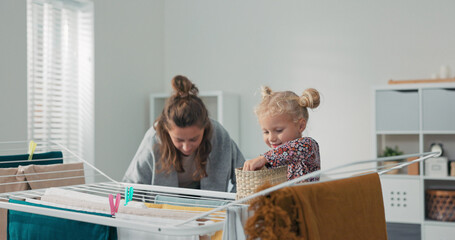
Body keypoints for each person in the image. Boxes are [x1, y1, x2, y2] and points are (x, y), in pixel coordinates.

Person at [123, 75, 245, 192]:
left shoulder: (219, 135)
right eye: (179, 140)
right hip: (165, 209)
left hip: (211, 209)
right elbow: (132, 185)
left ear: (205, 128)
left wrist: (230, 207)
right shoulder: (154, 138)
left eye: (194, 139)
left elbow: (246, 177)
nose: (186, 147)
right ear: (167, 130)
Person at [242, 86, 321, 181]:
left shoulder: (308, 146)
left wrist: (264, 158)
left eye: (279, 130)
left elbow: (291, 150)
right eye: (266, 132)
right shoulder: (273, 160)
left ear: (300, 126)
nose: (271, 138)